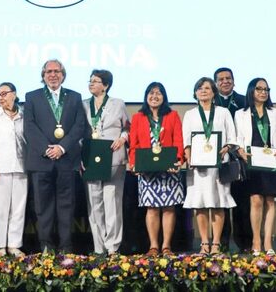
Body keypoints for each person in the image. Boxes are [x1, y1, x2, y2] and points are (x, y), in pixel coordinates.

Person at [24, 59, 87, 253]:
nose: (53, 75)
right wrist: (47, 149)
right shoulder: (32, 97)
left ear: (63, 74)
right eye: (49, 71)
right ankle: (46, 246)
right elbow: (29, 127)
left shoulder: (74, 97)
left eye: (57, 71)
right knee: (43, 209)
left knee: (66, 208)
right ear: (43, 75)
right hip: (41, 161)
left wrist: (62, 148)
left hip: (67, 161)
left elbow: (79, 126)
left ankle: (66, 247)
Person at [182, 77, 236, 255]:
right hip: (198, 166)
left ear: (214, 93)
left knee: (218, 202)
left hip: (219, 163)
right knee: (201, 203)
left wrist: (226, 148)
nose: (203, 91)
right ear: (195, 93)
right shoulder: (190, 114)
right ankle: (205, 242)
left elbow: (231, 138)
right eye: (199, 88)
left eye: (207, 88)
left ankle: (216, 243)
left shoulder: (223, 112)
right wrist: (189, 158)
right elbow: (186, 141)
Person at [129, 82, 184, 256]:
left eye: (158, 93)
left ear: (164, 97)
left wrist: (178, 160)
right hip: (147, 169)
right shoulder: (138, 117)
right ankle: (153, 246)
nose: (155, 96)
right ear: (146, 96)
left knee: (169, 208)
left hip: (169, 169)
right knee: (151, 208)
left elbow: (178, 140)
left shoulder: (172, 115)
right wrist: (134, 163)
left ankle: (166, 246)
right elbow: (133, 144)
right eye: (151, 93)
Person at [234, 78, 276, 255]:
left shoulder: (275, 112)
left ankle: (268, 242)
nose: (263, 92)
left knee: (270, 201)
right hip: (251, 160)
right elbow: (237, 138)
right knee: (256, 200)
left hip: (271, 160)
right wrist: (240, 150)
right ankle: (256, 240)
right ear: (251, 91)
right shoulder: (241, 113)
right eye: (259, 89)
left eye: (266, 89)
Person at [82, 69, 130, 255]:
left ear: (106, 85)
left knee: (112, 202)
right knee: (94, 204)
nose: (91, 83)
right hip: (91, 158)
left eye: (96, 81)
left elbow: (127, 127)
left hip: (113, 158)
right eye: (90, 80)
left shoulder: (118, 104)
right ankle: (99, 247)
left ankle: (113, 247)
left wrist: (123, 138)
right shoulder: (84, 105)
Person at [0, 82, 28, 257]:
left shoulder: (24, 114)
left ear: (14, 94)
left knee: (18, 208)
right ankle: (0, 245)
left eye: (4, 94)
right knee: (0, 208)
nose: (1, 97)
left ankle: (14, 245)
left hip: (21, 167)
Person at [213, 67, 252, 252]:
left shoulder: (244, 101)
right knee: (220, 202)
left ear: (234, 81)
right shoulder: (210, 102)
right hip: (218, 159)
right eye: (221, 79)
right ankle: (222, 242)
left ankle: (244, 243)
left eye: (228, 78)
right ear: (215, 83)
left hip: (239, 160)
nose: (225, 81)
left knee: (241, 203)